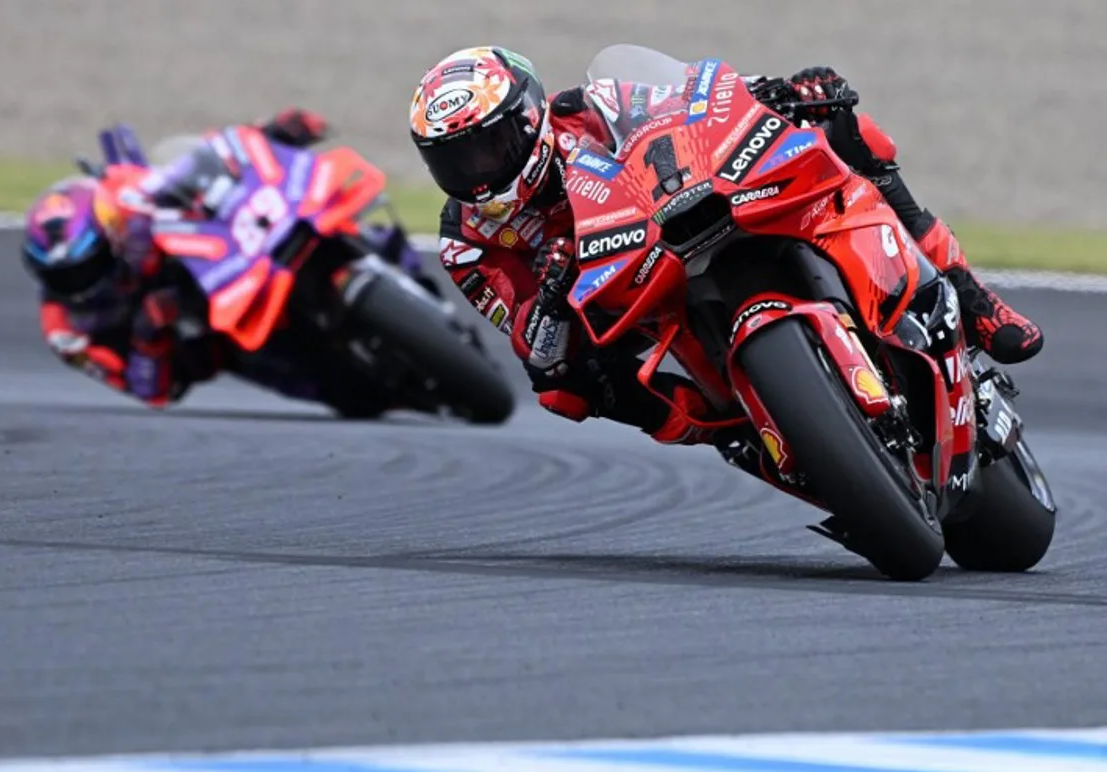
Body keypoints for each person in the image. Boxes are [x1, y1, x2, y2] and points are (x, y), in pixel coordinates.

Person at [407, 47, 1043, 487]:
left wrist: (782, 92)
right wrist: (549, 296)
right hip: (617, 304)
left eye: (487, 146)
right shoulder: (467, 241)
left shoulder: (593, 107)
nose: (477, 171)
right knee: (565, 390)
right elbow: (534, 348)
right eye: (455, 161)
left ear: (527, 117)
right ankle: (729, 431)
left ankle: (970, 295)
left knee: (845, 129)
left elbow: (702, 101)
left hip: (681, 220)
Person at [22, 108, 439, 415]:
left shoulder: (121, 197)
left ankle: (406, 276)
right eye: (64, 276)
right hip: (208, 332)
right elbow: (149, 391)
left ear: (108, 236)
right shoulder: (67, 331)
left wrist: (270, 133)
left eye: (85, 266)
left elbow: (192, 167)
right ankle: (386, 390)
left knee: (334, 222)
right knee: (333, 387)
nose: (78, 283)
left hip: (231, 254)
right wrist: (151, 332)